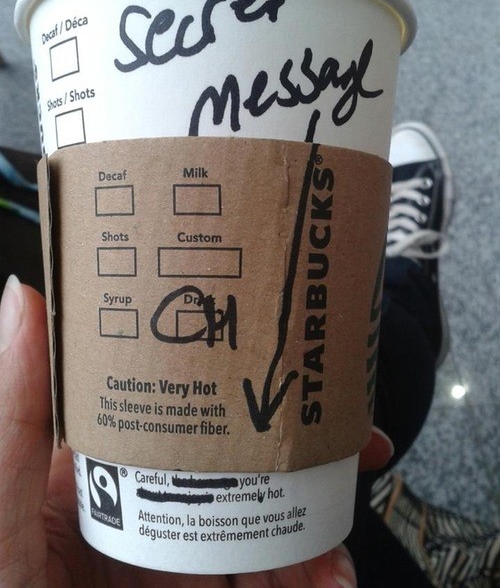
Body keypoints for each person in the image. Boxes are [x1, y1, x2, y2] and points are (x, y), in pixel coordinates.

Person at [0, 122, 452, 587]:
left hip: (98, 535)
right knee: (394, 354)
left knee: (377, 359)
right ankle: (406, 277)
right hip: (153, 517)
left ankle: (397, 278)